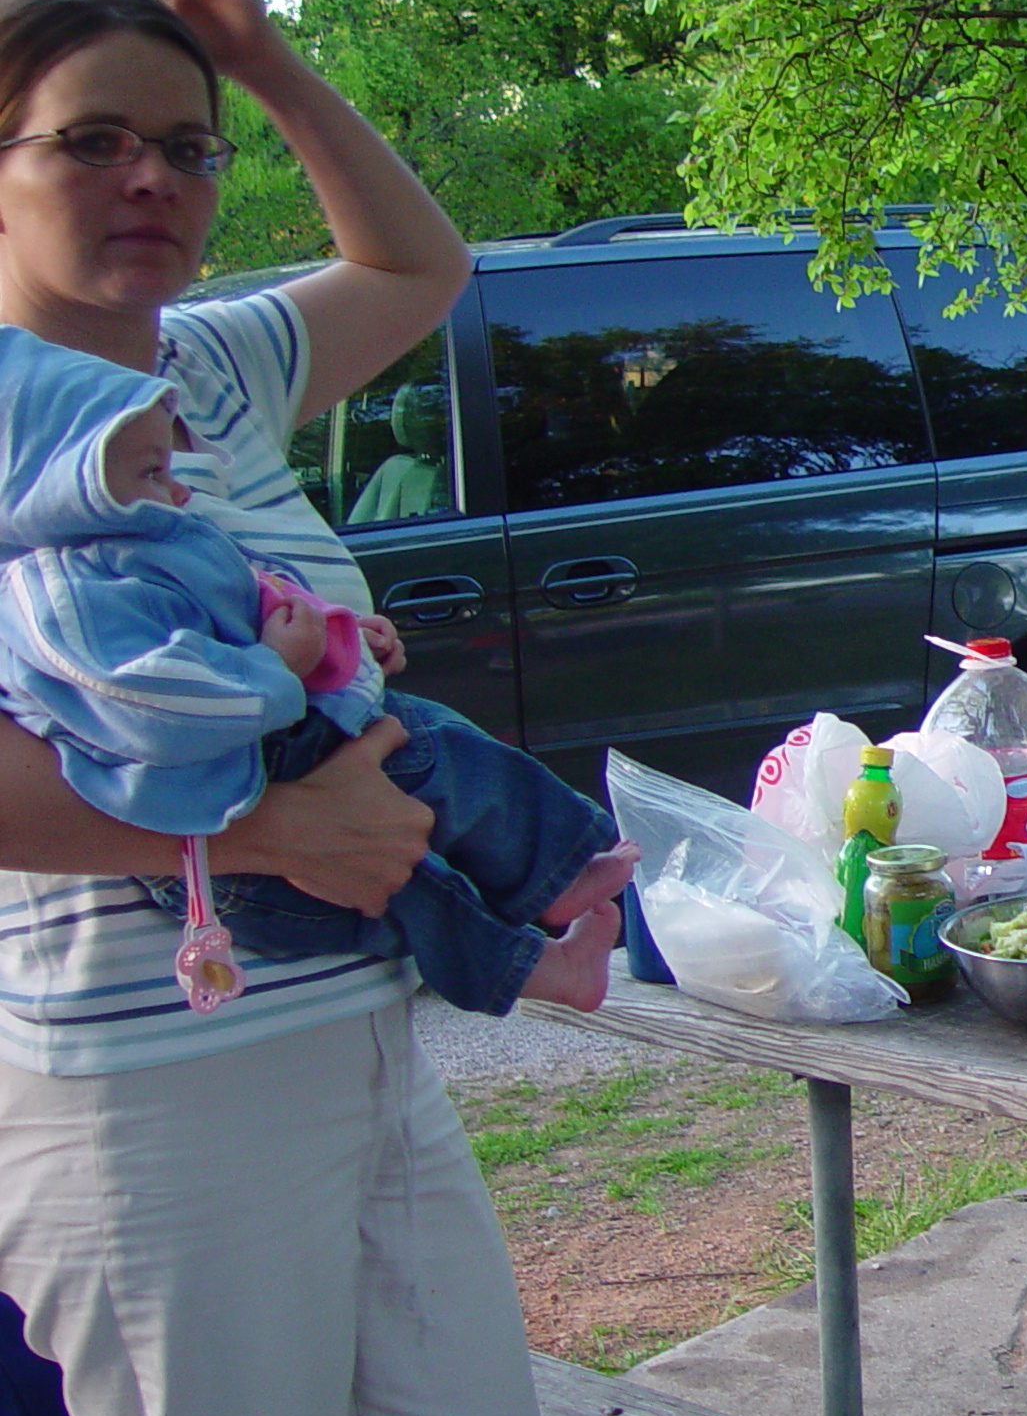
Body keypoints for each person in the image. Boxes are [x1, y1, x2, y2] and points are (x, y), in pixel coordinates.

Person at [0, 0, 555, 1416]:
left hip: (368, 1049)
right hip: (152, 1102)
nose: (150, 175)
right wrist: (246, 830)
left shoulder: (213, 372)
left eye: (185, 140)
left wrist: (266, 63)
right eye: (91, 140)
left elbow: (416, 262)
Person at [0, 355, 634, 1015]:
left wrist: (339, 634)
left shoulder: (130, 550)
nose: (179, 490)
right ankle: (548, 960)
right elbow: (146, 700)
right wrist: (276, 667)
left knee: (441, 753)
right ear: (57, 486)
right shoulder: (56, 591)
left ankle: (555, 876)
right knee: (417, 893)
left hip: (259, 762)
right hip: (210, 808)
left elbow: (250, 604)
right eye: (153, 473)